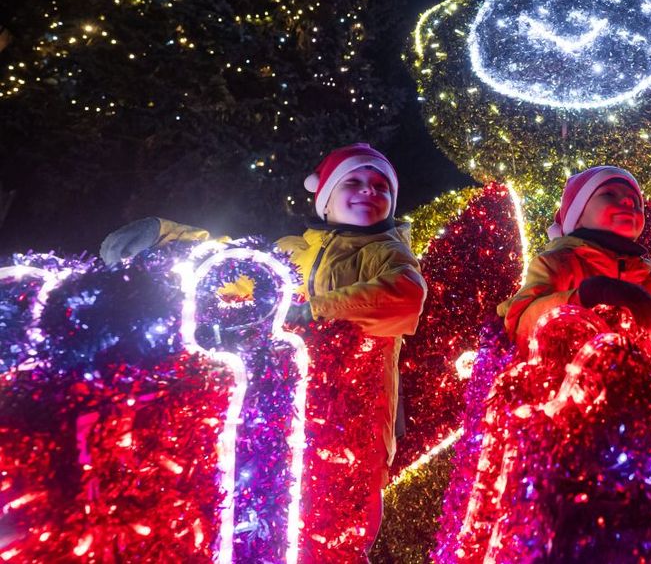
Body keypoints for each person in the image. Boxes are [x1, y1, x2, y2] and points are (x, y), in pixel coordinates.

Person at [100, 143, 427, 549]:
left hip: (351, 424)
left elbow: (404, 294)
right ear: (324, 199)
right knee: (266, 525)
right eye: (353, 181)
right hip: (282, 414)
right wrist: (164, 235)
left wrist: (312, 312)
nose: (368, 190)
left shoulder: (388, 253)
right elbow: (234, 265)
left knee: (339, 531)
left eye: (381, 186)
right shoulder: (292, 251)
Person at [498, 165, 651, 346]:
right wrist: (583, 297)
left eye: (636, 201)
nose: (628, 201)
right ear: (578, 216)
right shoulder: (557, 265)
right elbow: (521, 325)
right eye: (609, 194)